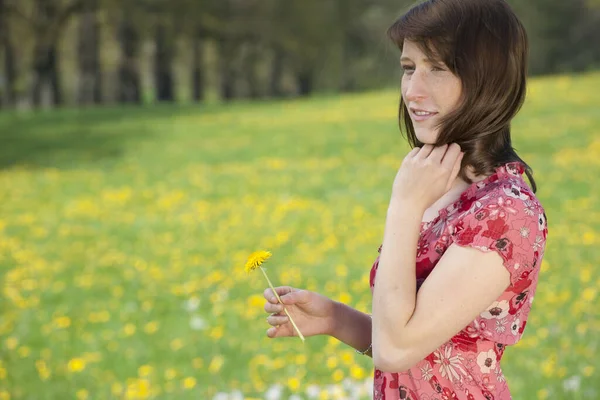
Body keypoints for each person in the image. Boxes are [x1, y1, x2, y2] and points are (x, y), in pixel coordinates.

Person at [262, 0, 548, 398]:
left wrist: (404, 207)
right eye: (408, 68)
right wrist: (334, 319)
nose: (413, 91)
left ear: (489, 80)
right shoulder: (441, 187)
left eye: (437, 68)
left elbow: (396, 350)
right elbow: (415, 343)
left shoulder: (505, 213)